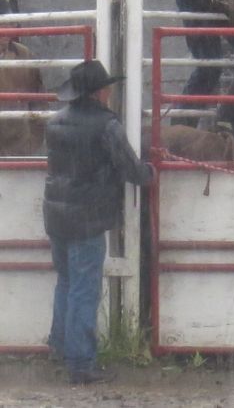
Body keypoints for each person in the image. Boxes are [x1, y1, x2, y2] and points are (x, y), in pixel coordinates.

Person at [43, 60, 154, 385]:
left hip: (57, 214)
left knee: (66, 282)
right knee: (84, 288)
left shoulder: (55, 122)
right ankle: (80, 362)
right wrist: (151, 172)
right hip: (87, 216)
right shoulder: (107, 126)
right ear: (99, 92)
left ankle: (60, 346)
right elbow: (131, 169)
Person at [0, 0, 47, 156]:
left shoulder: (24, 54)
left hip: (18, 147)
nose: (7, 29)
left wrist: (32, 141)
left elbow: (39, 100)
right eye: (2, 23)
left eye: (10, 23)